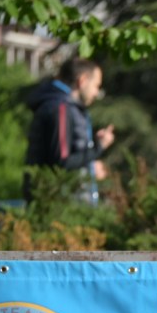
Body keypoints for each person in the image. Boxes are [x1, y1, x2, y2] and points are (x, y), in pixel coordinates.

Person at [24, 57, 114, 205]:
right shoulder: (60, 108)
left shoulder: (66, 107)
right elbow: (61, 162)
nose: (96, 93)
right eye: (96, 86)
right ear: (82, 81)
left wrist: (91, 160)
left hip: (61, 200)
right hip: (58, 204)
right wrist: (98, 147)